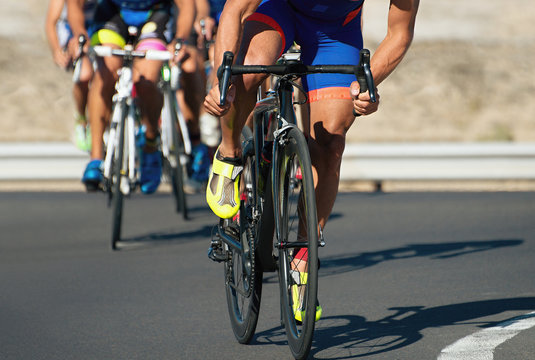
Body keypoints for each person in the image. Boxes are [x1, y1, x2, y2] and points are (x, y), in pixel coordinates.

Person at [203, 0, 419, 320]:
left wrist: (367, 84)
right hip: (279, 9)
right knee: (246, 72)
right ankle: (230, 153)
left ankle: (302, 259)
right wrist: (221, 84)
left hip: (334, 30)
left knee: (330, 142)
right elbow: (233, 12)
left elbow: (399, 33)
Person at [67, 0, 196, 193]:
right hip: (112, 13)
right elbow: (75, 3)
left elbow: (186, 4)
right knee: (105, 72)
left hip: (154, 13)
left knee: (146, 78)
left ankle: (151, 141)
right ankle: (95, 158)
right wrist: (79, 33)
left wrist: (180, 39)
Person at [45, 0, 96, 152]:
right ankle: (81, 119)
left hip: (98, 28)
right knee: (85, 75)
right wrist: (56, 50)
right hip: (72, 33)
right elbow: (50, 23)